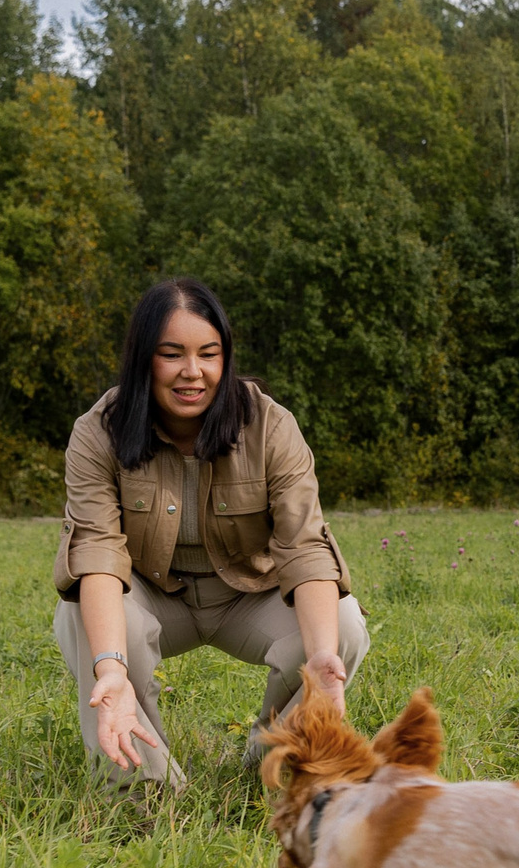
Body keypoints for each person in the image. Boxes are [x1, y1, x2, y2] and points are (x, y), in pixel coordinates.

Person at [52, 279, 369, 788]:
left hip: (249, 593)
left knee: (343, 623)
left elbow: (305, 548)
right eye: (171, 354)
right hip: (151, 594)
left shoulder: (270, 425)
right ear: (143, 360)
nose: (192, 372)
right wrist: (110, 670)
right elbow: (96, 554)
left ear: (226, 358)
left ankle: (273, 761)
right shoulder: (98, 431)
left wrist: (324, 661)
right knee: (81, 616)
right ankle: (144, 794)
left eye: (209, 354)